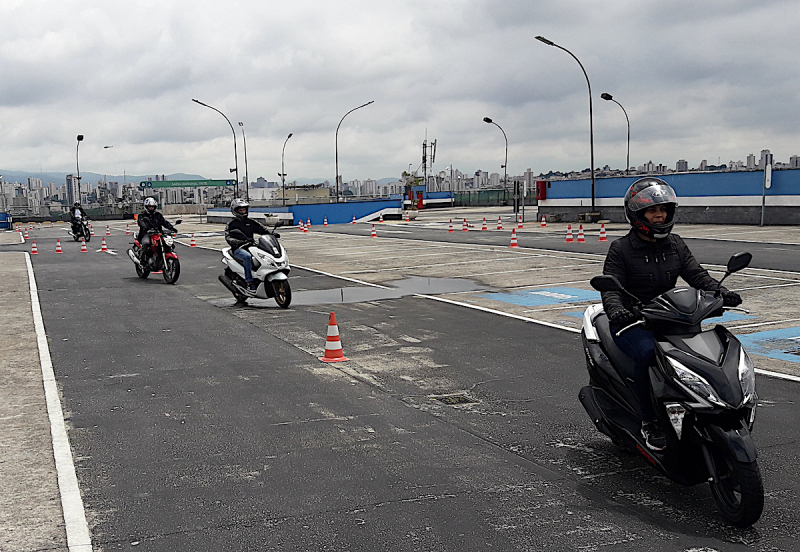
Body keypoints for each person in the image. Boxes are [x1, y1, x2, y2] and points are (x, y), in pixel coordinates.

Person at [601, 177, 742, 452]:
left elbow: (696, 275)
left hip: (670, 316)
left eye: (664, 210)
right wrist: (617, 310)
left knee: (703, 353)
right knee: (646, 354)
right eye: (654, 211)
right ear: (638, 215)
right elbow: (611, 288)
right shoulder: (621, 249)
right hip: (634, 320)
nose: (660, 215)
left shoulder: (675, 244)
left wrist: (721, 292)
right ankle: (648, 420)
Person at [225, 198, 270, 293]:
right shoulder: (232, 224)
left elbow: (262, 229)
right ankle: (249, 282)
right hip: (238, 248)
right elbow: (228, 237)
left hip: (251, 246)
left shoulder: (251, 222)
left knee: (265, 255)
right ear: (235, 211)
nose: (243, 211)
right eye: (240, 210)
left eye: (244, 209)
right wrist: (236, 242)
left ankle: (262, 276)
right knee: (247, 257)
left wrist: (271, 233)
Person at [136, 197, 177, 264]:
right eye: (150, 207)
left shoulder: (158, 215)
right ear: (146, 207)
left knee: (168, 243)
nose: (151, 208)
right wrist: (146, 228)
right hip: (146, 234)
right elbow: (141, 222)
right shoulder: (142, 215)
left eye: (153, 207)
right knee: (146, 243)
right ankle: (142, 259)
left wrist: (171, 228)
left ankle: (161, 258)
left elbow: (164, 222)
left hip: (158, 233)